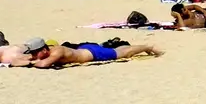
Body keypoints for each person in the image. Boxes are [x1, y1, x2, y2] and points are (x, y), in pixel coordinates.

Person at [18, 38, 162, 67]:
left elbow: (43, 64)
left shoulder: (57, 51)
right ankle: (146, 46)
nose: (33, 56)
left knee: (122, 53)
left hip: (92, 54)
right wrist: (30, 60)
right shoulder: (47, 52)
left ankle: (147, 47)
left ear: (44, 49)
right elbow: (17, 60)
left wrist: (31, 62)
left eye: (35, 53)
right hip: (84, 49)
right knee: (119, 50)